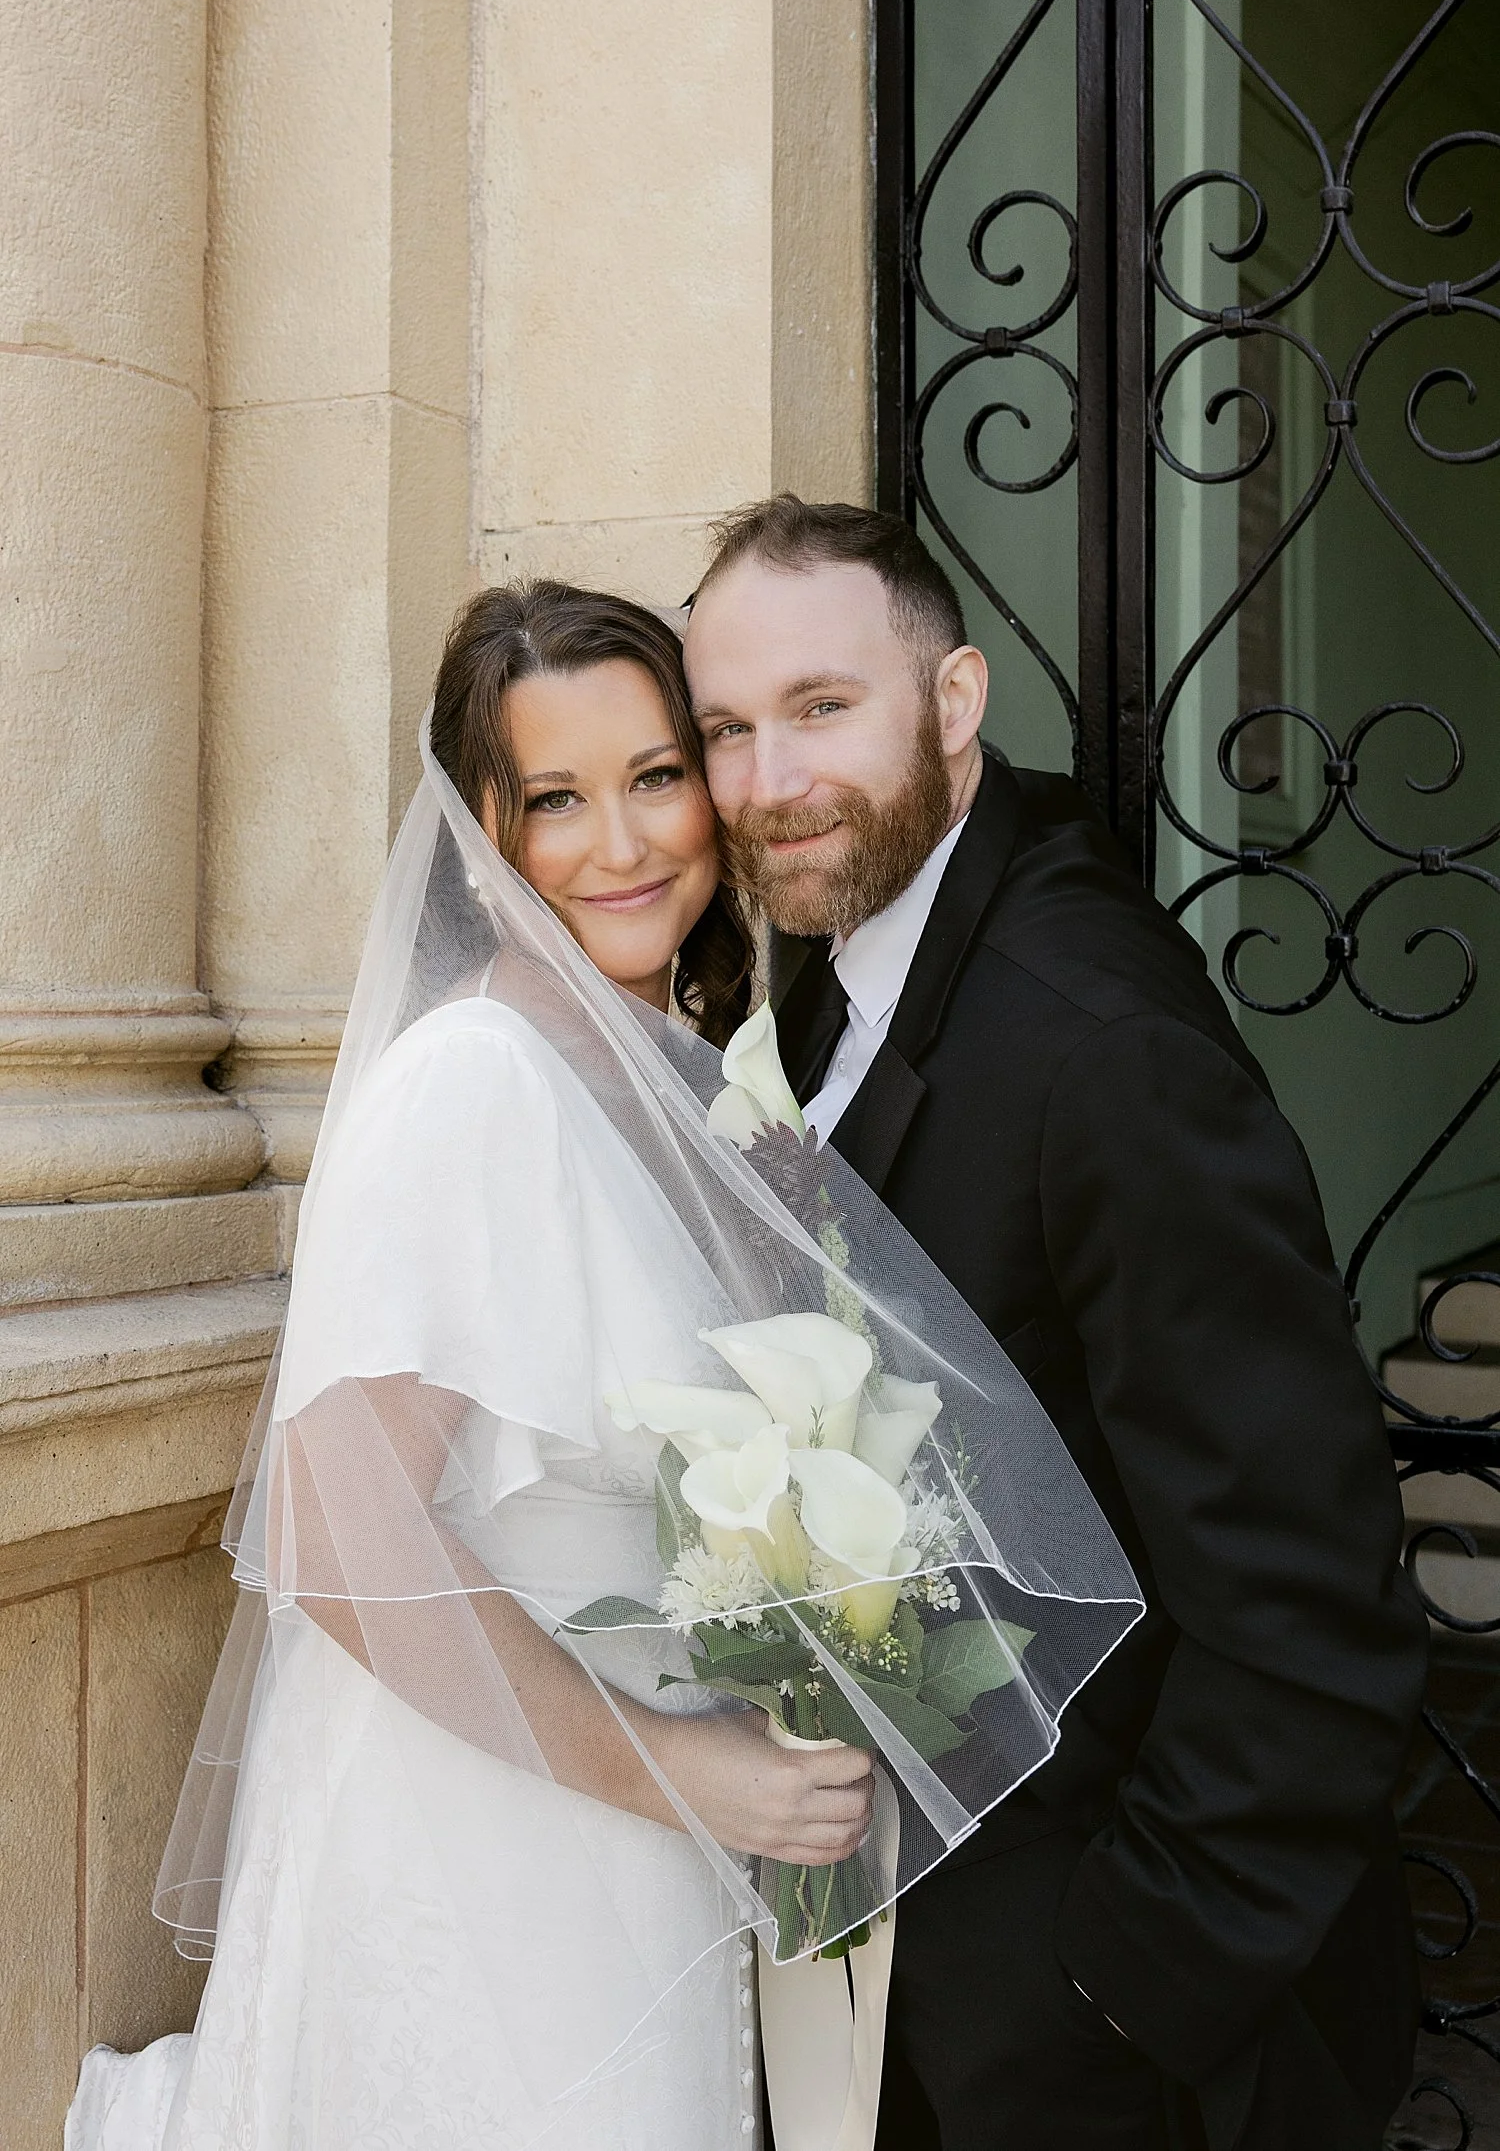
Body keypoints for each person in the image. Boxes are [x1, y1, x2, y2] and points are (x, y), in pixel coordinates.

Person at [67, 581, 1139, 2151]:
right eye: (555, 799)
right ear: (481, 832)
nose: (624, 844)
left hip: (638, 1841)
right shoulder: (472, 1079)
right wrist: (686, 1775)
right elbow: (335, 1527)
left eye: (653, 776)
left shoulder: (653, 1067)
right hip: (489, 1853)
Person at [682, 494, 1431, 2151]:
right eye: (726, 728)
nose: (766, 782)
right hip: (931, 1979)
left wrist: (1115, 1986)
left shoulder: (1096, 1043)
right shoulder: (838, 971)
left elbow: (1308, 1587)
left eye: (822, 708)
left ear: (953, 705)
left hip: (1127, 2037)